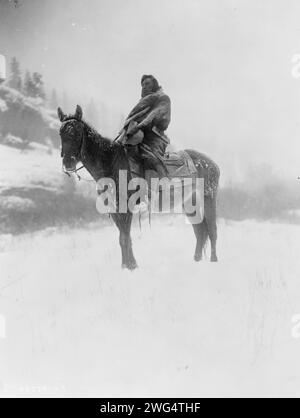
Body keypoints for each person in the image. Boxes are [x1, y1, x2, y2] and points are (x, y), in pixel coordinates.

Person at [118, 74, 171, 177]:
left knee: (149, 158)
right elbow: (132, 118)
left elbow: (155, 115)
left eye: (147, 84)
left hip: (154, 138)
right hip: (136, 136)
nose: (144, 86)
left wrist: (139, 126)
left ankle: (161, 185)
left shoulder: (163, 98)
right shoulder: (142, 103)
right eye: (142, 85)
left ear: (154, 85)